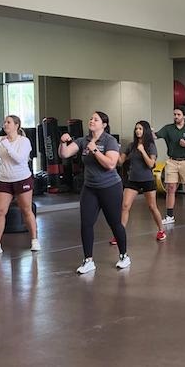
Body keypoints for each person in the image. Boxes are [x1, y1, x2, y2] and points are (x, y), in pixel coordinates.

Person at [59, 111, 130, 274]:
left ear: (104, 125)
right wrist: (63, 142)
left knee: (115, 223)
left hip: (110, 187)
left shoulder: (109, 140)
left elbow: (111, 164)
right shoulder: (83, 140)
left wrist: (95, 151)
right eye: (90, 118)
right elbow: (65, 153)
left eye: (95, 119)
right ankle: (88, 260)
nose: (91, 121)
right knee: (86, 223)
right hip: (90, 187)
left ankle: (124, 255)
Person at [0, 115, 39, 255]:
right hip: (4, 181)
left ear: (16, 125)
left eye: (8, 122)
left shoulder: (24, 141)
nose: (5, 124)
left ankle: (34, 240)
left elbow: (19, 159)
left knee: (26, 210)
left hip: (22, 179)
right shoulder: (0, 140)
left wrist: (7, 145)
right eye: (4, 122)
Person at [117, 121, 165, 242]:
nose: (138, 131)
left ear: (145, 131)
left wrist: (143, 151)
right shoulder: (131, 146)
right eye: (136, 128)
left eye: (140, 129)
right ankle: (120, 235)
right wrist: (114, 149)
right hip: (133, 180)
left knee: (152, 206)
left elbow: (151, 164)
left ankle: (161, 230)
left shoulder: (150, 146)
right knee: (125, 206)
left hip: (147, 180)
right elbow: (120, 161)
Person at [155, 106, 185, 225]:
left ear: (184, 116)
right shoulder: (168, 128)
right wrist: (149, 132)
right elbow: (156, 135)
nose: (176, 116)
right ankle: (170, 215)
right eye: (174, 114)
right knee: (170, 188)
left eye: (178, 114)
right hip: (172, 161)